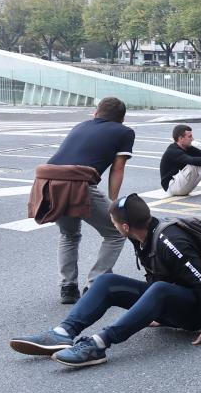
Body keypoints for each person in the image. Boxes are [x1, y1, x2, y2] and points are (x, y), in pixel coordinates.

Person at [10, 194, 201, 368]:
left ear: (125, 226)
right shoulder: (141, 234)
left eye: (114, 222)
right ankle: (62, 333)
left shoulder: (170, 241)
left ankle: (98, 344)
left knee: (160, 289)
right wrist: (151, 311)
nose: (113, 225)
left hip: (193, 313)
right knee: (106, 281)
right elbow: (157, 274)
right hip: (168, 300)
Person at [33, 96, 132, 304]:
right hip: (78, 182)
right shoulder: (124, 132)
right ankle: (96, 286)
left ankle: (68, 287)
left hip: (48, 182)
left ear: (95, 113)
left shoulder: (80, 125)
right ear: (122, 118)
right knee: (116, 232)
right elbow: (118, 168)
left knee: (68, 234)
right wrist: (113, 202)